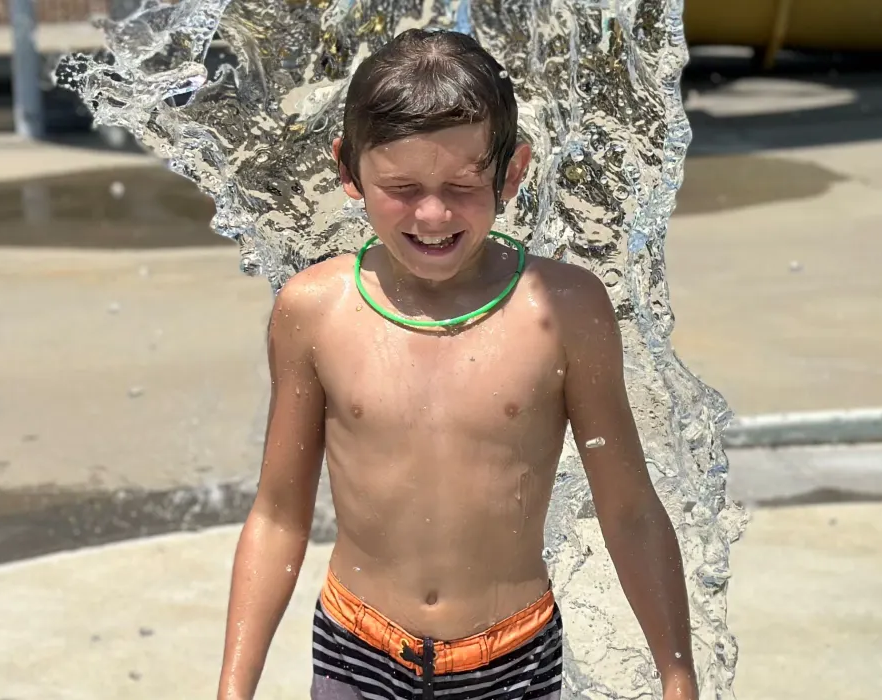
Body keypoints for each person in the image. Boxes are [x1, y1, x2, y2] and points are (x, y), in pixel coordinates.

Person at [216, 27, 698, 700]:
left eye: (464, 185)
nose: (434, 213)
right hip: (358, 651)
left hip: (512, 660)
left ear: (514, 172)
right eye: (403, 186)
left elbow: (628, 509)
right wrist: (234, 688)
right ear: (349, 173)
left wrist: (678, 674)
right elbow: (277, 514)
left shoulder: (562, 310)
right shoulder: (315, 311)